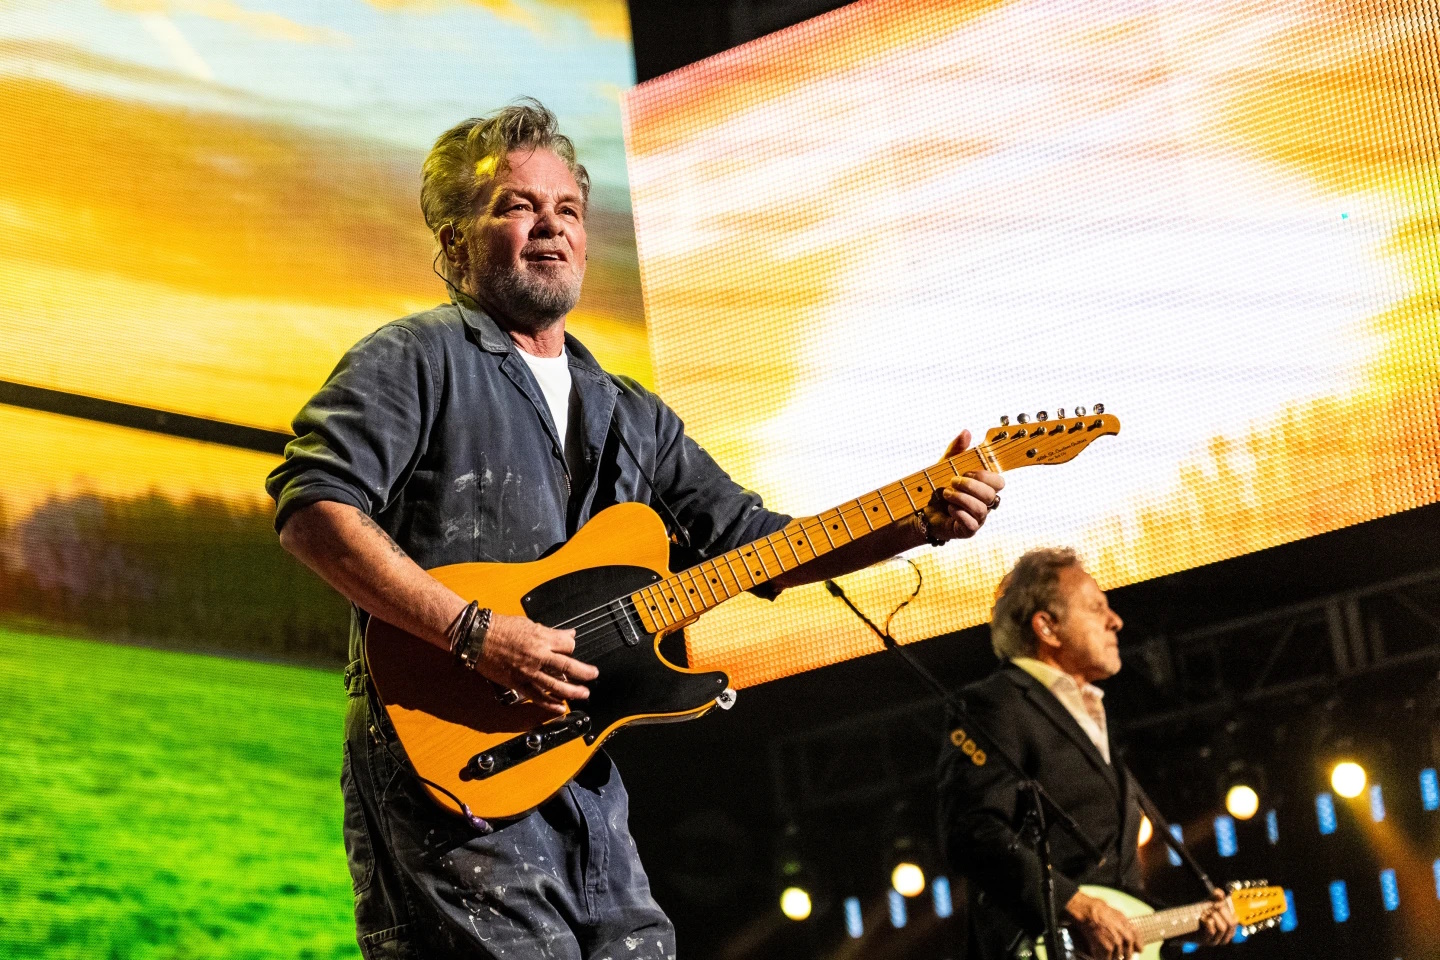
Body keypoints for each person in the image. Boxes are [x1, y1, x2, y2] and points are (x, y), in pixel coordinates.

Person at [266, 99, 1005, 960]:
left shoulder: (631, 415)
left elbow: (756, 543)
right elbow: (312, 507)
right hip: (448, 781)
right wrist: (476, 633)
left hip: (582, 781)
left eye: (568, 209)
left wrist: (916, 521)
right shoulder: (416, 357)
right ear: (456, 241)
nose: (552, 226)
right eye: (517, 206)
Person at [938, 548, 1237, 960]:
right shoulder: (997, 703)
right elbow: (971, 832)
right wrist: (1077, 906)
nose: (1116, 621)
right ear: (1047, 627)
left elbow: (1114, 890)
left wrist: (1188, 925)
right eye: (1097, 608)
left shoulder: (1091, 714)